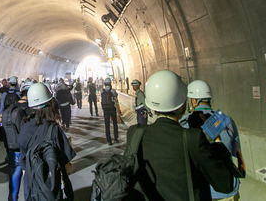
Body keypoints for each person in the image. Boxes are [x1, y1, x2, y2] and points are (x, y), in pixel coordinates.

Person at [128, 70, 235, 200]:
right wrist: (217, 142)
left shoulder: (134, 134)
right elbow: (225, 184)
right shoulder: (192, 138)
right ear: (182, 105)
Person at [181, 80, 243, 201]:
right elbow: (236, 152)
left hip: (204, 191)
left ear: (193, 101)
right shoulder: (226, 120)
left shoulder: (185, 123)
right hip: (229, 188)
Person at [19, 83, 75, 201]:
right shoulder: (54, 129)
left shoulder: (24, 129)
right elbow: (68, 167)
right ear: (50, 104)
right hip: (55, 191)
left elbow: (24, 168)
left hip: (33, 191)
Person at [2, 79, 33, 201]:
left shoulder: (12, 109)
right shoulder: (32, 110)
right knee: (30, 187)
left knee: (14, 189)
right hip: (29, 152)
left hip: (14, 150)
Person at [101, 77, 119, 146]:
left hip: (105, 110)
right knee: (114, 123)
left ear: (105, 84)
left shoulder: (102, 91)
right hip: (112, 109)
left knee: (107, 125)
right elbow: (116, 96)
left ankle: (109, 141)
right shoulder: (112, 91)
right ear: (110, 83)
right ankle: (116, 138)